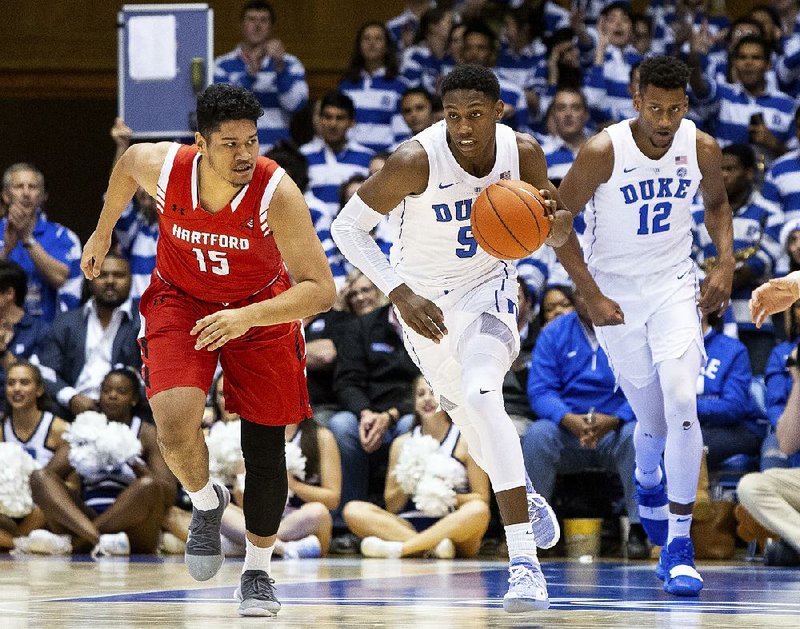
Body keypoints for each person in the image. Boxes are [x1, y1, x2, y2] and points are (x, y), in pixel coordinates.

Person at [331, 63, 581, 613]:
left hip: (489, 290)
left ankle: (523, 565)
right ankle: (526, 497)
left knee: (483, 395)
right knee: (473, 420)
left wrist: (549, 219)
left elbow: (559, 228)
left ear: (499, 112)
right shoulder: (414, 160)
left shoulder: (525, 153)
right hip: (422, 305)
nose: (463, 126)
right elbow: (346, 228)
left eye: (474, 114)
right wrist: (398, 293)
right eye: (452, 115)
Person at [80, 83, 336, 616]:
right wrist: (102, 233)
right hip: (182, 299)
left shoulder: (275, 193)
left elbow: (321, 290)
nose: (245, 154)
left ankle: (259, 572)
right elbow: (126, 163)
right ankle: (205, 501)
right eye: (229, 144)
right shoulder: (165, 168)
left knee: (264, 449)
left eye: (252, 141)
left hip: (260, 309)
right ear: (200, 143)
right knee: (173, 427)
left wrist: (243, 318)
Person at [555, 55, 734, 596]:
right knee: (651, 419)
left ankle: (678, 544)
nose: (664, 119)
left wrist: (724, 263)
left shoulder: (699, 145)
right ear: (636, 100)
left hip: (675, 284)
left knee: (682, 401)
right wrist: (589, 296)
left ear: (686, 104)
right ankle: (648, 476)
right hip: (617, 296)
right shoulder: (603, 151)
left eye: (674, 108)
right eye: (654, 107)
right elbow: (558, 226)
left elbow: (718, 203)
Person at [522, 287, 648, 559]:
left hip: (614, 428)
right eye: (582, 293)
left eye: (596, 292)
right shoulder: (554, 333)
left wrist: (616, 419)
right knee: (537, 435)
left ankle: (639, 528)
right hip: (567, 429)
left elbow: (644, 385)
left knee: (637, 435)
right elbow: (541, 390)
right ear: (574, 298)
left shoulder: (630, 331)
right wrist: (567, 418)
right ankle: (535, 530)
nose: (589, 298)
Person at [30, 367, 175, 556]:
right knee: (39, 477)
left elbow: (168, 493)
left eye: (121, 392)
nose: (112, 396)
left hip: (135, 528)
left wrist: (130, 458)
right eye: (106, 391)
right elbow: (48, 477)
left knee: (149, 485)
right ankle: (98, 539)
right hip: (86, 516)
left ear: (134, 399)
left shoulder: (147, 433)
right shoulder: (85, 427)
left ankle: (75, 544)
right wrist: (80, 445)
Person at [344, 376, 490, 559]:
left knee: (478, 510)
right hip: (408, 524)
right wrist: (411, 482)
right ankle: (431, 548)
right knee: (353, 509)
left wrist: (445, 496)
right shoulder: (401, 443)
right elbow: (391, 505)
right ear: (414, 404)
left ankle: (404, 549)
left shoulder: (467, 440)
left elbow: (482, 498)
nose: (427, 399)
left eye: (434, 393)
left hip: (455, 529)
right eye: (420, 394)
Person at [38, 254, 141, 419]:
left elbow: (153, 375)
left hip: (128, 416)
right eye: (102, 274)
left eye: (118, 275)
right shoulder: (66, 322)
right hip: (71, 412)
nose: (110, 281)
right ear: (90, 279)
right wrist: (71, 398)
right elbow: (46, 371)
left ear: (131, 280)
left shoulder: (145, 323)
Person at [214, 1, 309, 152]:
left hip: (278, 153)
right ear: (241, 25)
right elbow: (223, 108)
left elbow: (296, 105)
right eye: (251, 19)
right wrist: (251, 72)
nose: (257, 26)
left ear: (271, 27)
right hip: (237, 151)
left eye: (263, 20)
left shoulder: (290, 63)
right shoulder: (221, 65)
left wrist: (280, 70)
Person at [0, 163, 83, 322]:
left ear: (43, 196)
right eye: (18, 186)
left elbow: (59, 278)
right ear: (5, 195)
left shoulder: (62, 236)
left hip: (49, 333)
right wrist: (6, 251)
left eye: (32, 187)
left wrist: (27, 239)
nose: (26, 193)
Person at [0, 361, 68, 551]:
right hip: (8, 513)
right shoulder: (1, 429)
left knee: (44, 507)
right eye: (11, 383)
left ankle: (14, 542)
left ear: (39, 390)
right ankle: (21, 543)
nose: (16, 389)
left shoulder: (59, 429)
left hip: (44, 511)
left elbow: (73, 486)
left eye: (24, 382)